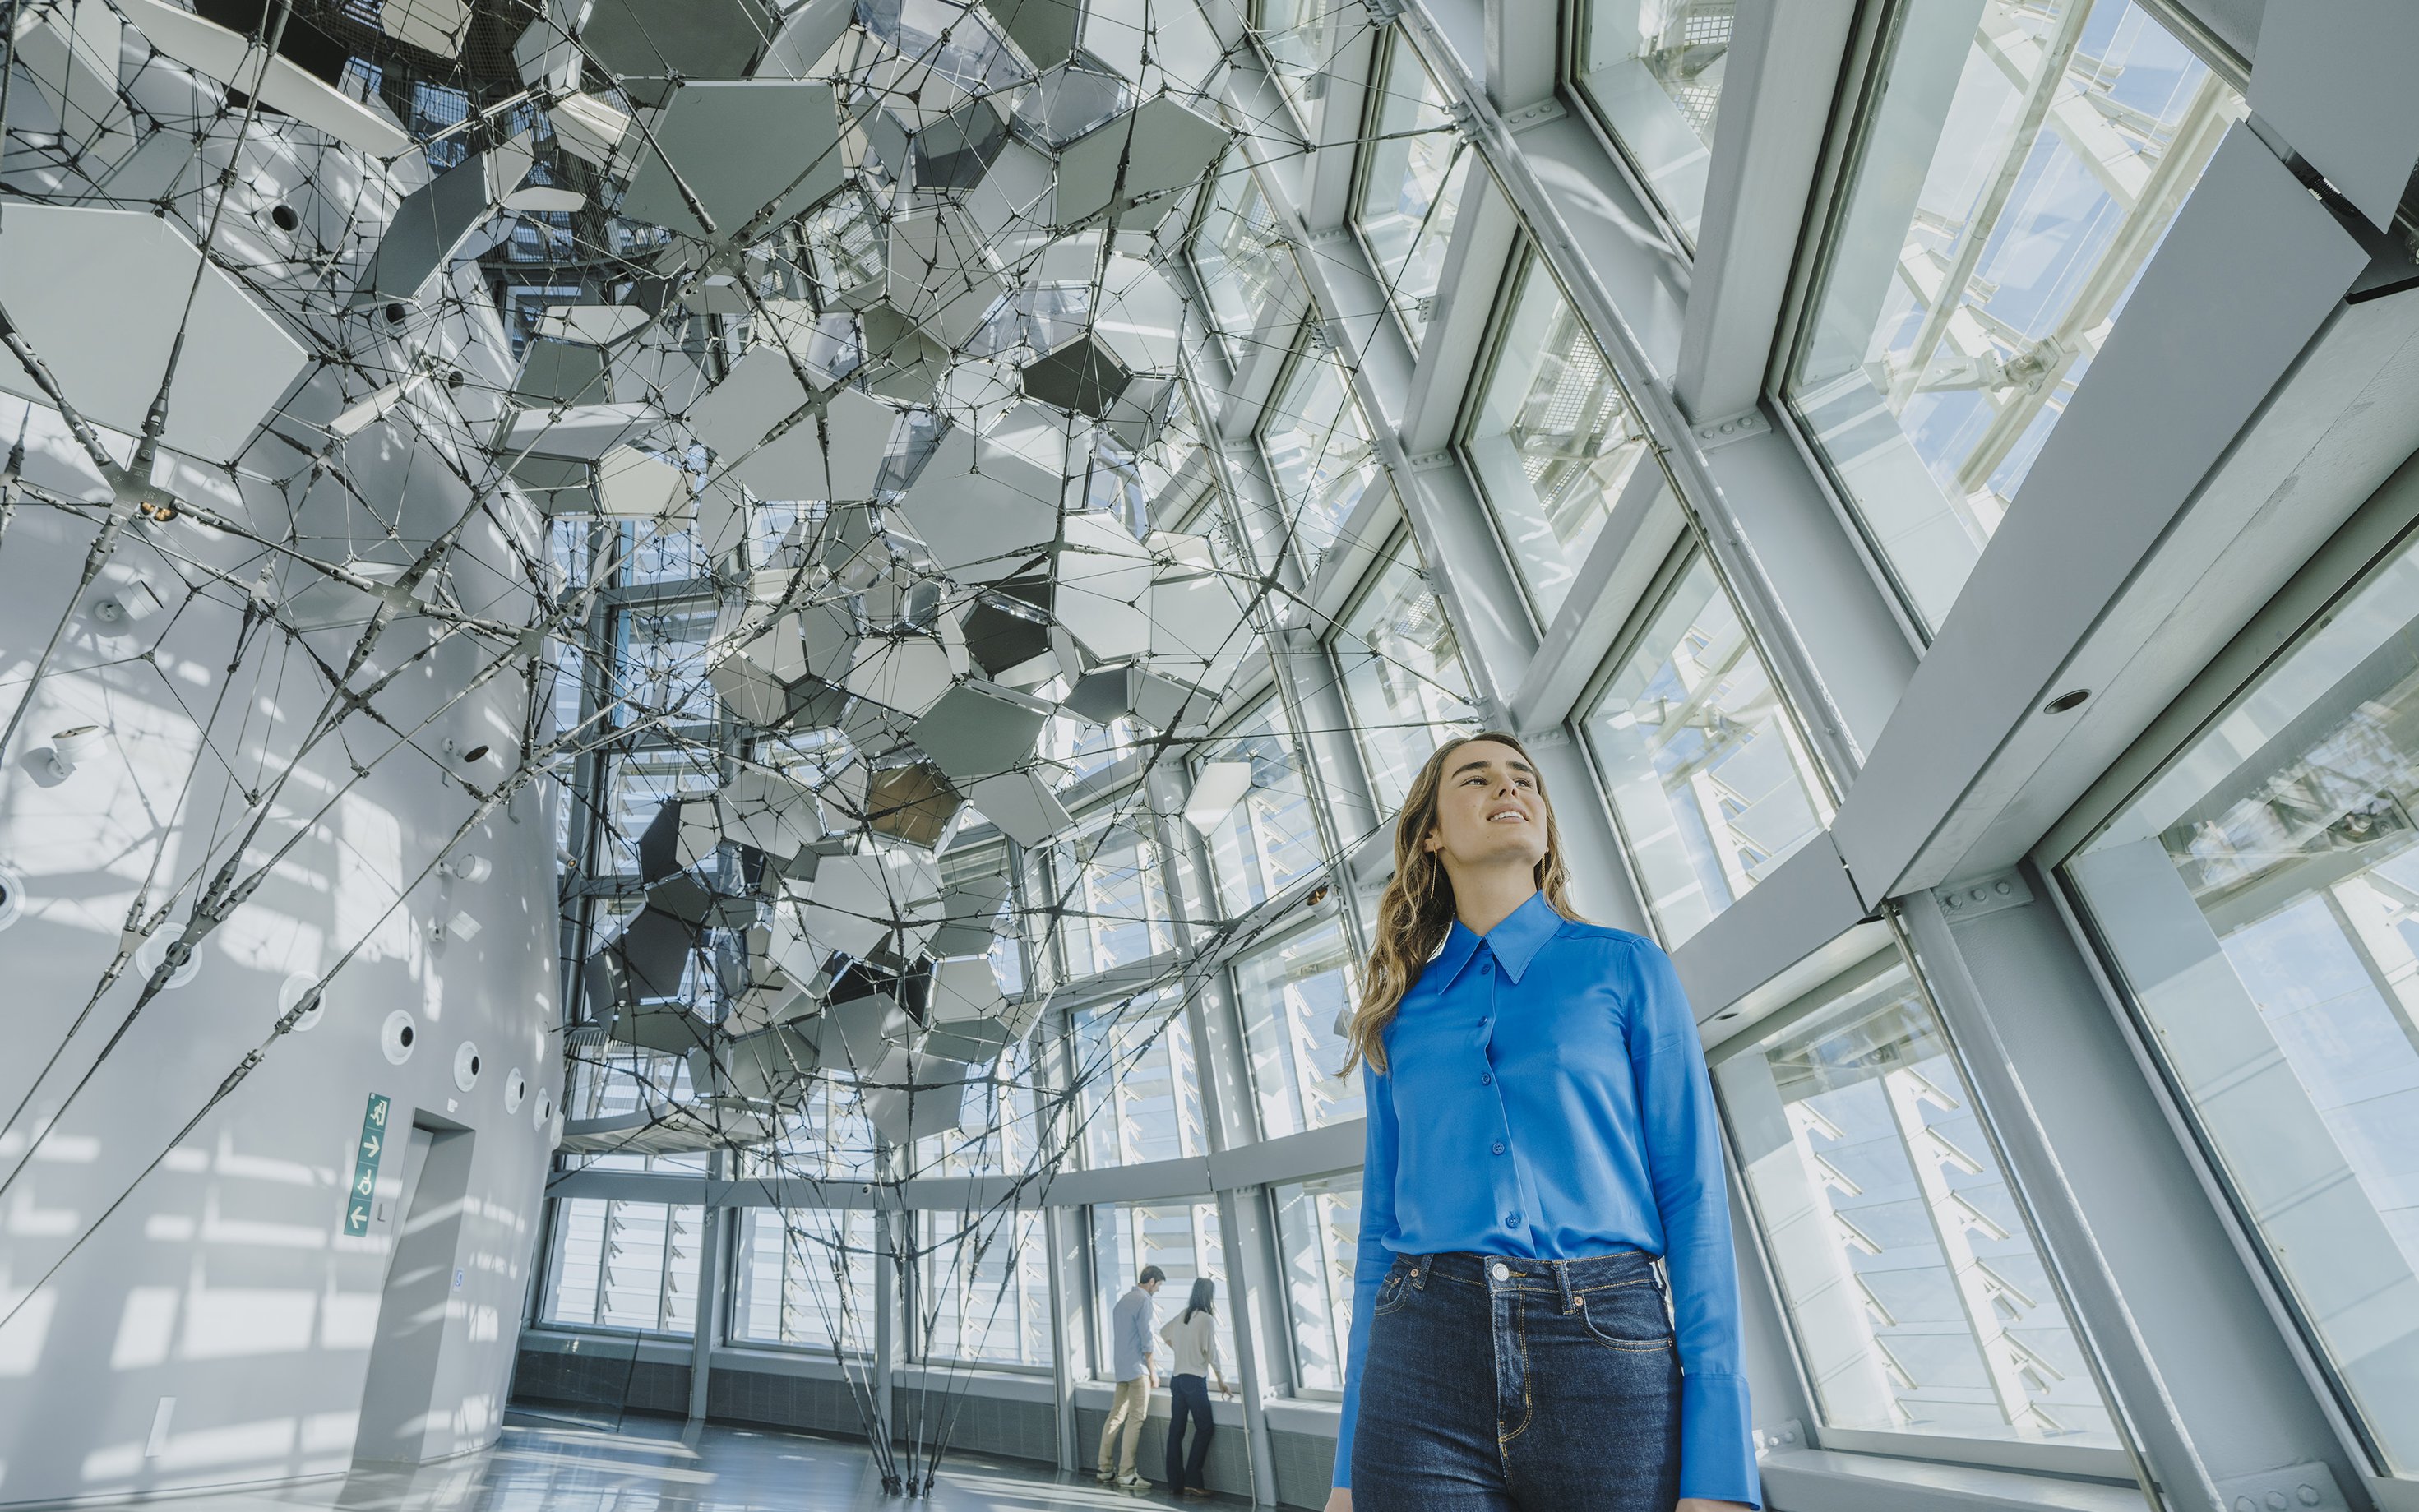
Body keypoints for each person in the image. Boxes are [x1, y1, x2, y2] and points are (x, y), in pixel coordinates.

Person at [1325, 733, 1761, 1512]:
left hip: (1606, 1348)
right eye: (1478, 777)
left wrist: (1720, 1471)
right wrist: (1347, 1467)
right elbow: (1377, 1230)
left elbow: (1694, 1197)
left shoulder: (1627, 967)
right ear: (1431, 832)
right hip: (1417, 1361)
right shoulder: (1396, 1014)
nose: (1510, 787)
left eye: (1525, 777)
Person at [1158, 1277, 1234, 1497]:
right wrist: (1220, 1379)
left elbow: (1163, 1334)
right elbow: (1211, 1353)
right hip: (1193, 1381)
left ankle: (1175, 1484)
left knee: (1176, 1432)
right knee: (1205, 1428)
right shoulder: (1206, 1320)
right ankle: (1193, 1479)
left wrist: (1181, 1350)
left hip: (1177, 1380)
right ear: (1209, 1296)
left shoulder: (1182, 1315)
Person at [1097, 1265, 1164, 1488]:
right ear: (1151, 1281)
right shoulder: (1144, 1301)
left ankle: (1105, 1469)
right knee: (1136, 1419)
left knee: (1115, 1417)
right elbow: (1147, 1340)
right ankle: (1127, 1474)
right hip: (1138, 1371)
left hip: (1122, 1369)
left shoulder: (1122, 1301)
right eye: (1159, 1285)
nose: (1158, 1290)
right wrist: (1153, 1372)